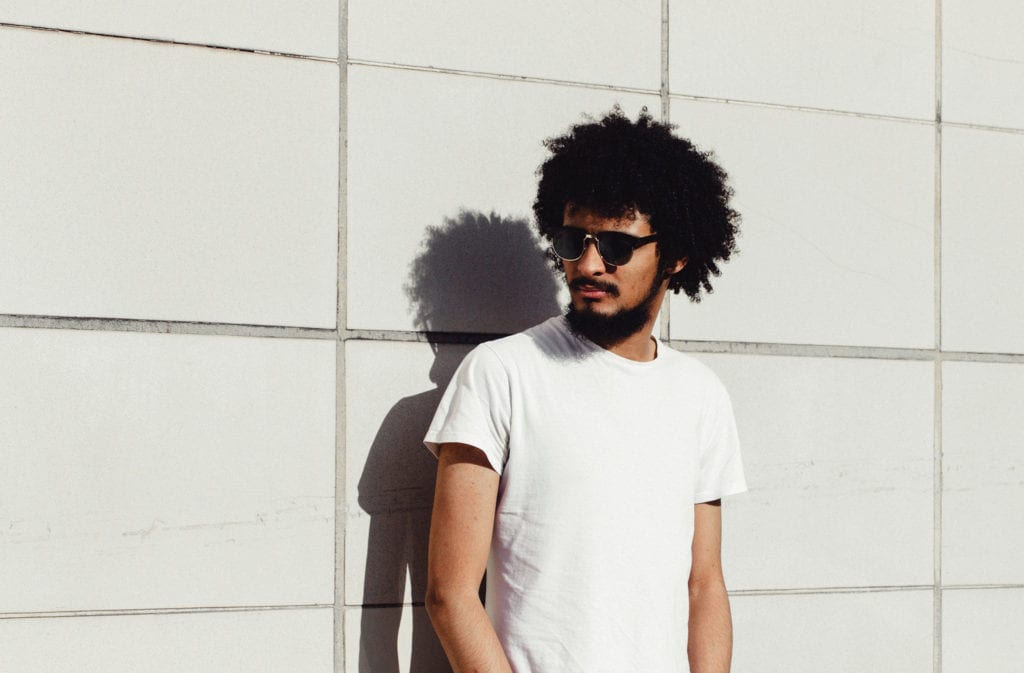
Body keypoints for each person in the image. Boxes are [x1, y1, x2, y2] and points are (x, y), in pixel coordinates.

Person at [423, 107, 746, 673]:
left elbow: (704, 585)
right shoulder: (501, 373)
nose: (589, 264)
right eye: (575, 240)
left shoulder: (701, 395)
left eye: (617, 246)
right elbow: (449, 594)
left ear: (675, 256)